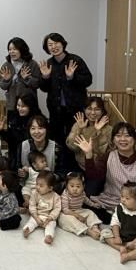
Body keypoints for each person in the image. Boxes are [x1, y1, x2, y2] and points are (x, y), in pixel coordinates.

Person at [73, 122, 136, 225]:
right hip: (111, 201)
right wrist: (88, 155)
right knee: (85, 204)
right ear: (113, 140)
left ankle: (119, 220)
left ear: (135, 139)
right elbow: (94, 176)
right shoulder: (107, 157)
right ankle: (123, 220)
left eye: (127, 136)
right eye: (118, 136)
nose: (122, 139)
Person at [38, 32, 92, 172]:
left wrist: (72, 77)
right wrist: (45, 77)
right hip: (55, 110)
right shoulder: (48, 64)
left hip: (75, 110)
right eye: (50, 44)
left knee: (74, 139)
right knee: (57, 140)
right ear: (47, 48)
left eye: (56, 43)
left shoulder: (75, 60)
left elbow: (88, 80)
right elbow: (43, 88)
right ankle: (59, 170)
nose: (54, 46)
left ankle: (75, 170)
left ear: (63, 44)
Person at [100, 181, 136, 264]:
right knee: (105, 233)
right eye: (122, 196)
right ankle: (120, 248)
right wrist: (117, 236)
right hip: (121, 235)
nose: (123, 200)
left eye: (127, 198)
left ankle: (128, 256)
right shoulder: (120, 208)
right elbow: (115, 223)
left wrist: (134, 243)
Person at [65, 96, 112, 196]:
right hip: (79, 167)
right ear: (84, 110)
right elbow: (72, 147)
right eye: (89, 109)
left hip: (97, 170)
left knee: (88, 194)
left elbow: (101, 153)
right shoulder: (78, 125)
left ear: (102, 111)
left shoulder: (108, 130)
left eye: (97, 109)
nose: (93, 113)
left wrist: (97, 131)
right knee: (70, 192)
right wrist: (80, 130)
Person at [0, 37, 41, 126]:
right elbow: (2, 86)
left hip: (28, 106)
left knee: (30, 128)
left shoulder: (32, 64)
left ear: (22, 49)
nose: (11, 52)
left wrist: (27, 78)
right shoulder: (6, 65)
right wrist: (7, 80)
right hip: (12, 105)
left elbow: (37, 84)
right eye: (10, 49)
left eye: (15, 49)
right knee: (13, 129)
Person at [0, 94, 42, 168]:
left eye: (23, 106)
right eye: (18, 105)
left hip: (32, 157)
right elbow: (11, 140)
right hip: (15, 156)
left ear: (31, 106)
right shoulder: (14, 117)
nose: (20, 108)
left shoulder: (37, 120)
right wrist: (2, 130)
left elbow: (25, 140)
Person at [58, 172, 102, 240]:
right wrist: (77, 216)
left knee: (90, 212)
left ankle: (94, 227)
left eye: (78, 186)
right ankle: (87, 231)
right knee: (66, 220)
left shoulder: (82, 193)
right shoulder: (65, 195)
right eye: (72, 186)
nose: (75, 189)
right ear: (66, 186)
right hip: (67, 213)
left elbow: (86, 200)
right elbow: (65, 210)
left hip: (78, 210)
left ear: (83, 186)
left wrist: (93, 205)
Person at [23, 170, 61, 245]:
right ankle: (27, 229)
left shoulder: (55, 197)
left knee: (51, 225)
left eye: (41, 186)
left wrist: (50, 218)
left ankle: (49, 236)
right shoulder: (34, 193)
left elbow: (57, 209)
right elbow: (32, 205)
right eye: (37, 184)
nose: (37, 187)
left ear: (50, 188)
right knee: (31, 222)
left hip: (48, 217)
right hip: (37, 215)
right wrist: (36, 218)